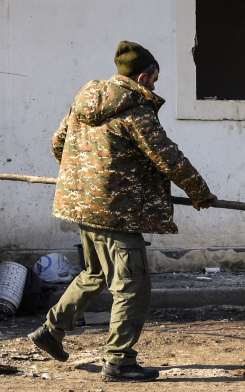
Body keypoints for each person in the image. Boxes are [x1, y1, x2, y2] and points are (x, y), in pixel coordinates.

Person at [28, 40, 217, 383]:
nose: (155, 88)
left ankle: (50, 332)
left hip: (85, 207)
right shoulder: (136, 110)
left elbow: (58, 144)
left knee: (95, 274)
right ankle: (119, 362)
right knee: (133, 286)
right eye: (154, 80)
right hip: (116, 213)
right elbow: (168, 158)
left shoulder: (83, 102)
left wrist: (87, 180)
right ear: (142, 77)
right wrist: (199, 192)